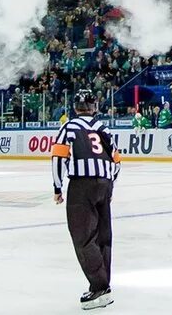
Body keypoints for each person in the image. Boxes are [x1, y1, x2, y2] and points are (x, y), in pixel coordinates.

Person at [52, 89, 121, 310]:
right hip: (104, 183)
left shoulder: (69, 127)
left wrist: (57, 186)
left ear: (75, 107)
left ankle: (99, 287)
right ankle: (104, 284)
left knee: (82, 236)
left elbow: (59, 158)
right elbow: (117, 160)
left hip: (82, 185)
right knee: (103, 235)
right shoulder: (104, 128)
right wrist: (109, 185)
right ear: (94, 106)